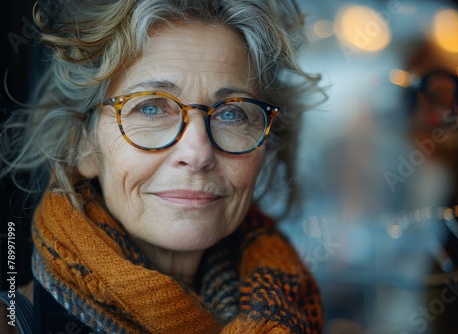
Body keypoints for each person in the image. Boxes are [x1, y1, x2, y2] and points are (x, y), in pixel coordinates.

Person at [0, 0, 325, 332]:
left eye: (231, 113)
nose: (198, 153)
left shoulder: (297, 310)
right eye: (152, 108)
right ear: (84, 143)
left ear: (266, 146)